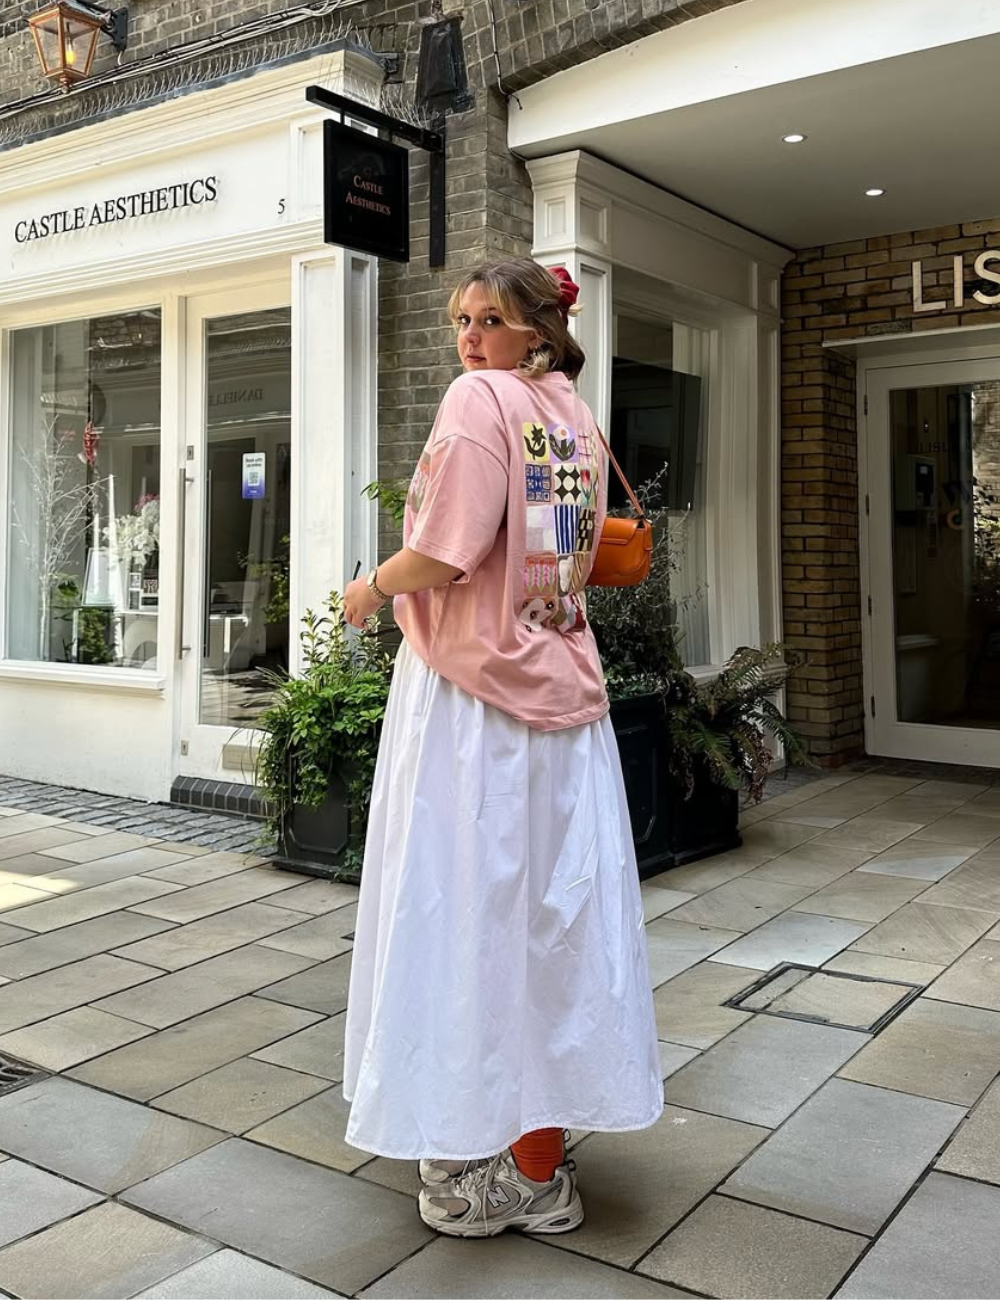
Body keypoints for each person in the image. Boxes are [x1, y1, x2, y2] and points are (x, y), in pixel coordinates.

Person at [341, 258, 663, 1238]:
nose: (469, 336)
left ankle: (466, 1157)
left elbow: (443, 548)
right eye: (460, 319)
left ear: (536, 328)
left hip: (472, 699)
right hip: (560, 700)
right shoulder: (564, 406)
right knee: (549, 930)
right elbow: (554, 558)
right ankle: (537, 1166)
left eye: (490, 318)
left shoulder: (478, 399)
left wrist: (370, 589)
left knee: (458, 915)